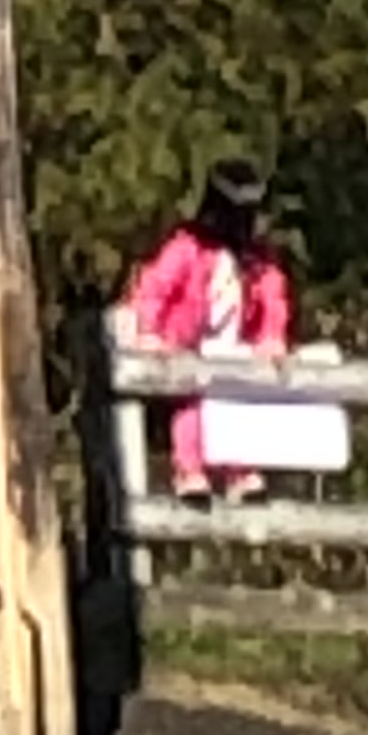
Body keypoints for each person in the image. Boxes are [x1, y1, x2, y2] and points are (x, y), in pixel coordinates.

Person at [126, 159, 294, 498]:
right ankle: (189, 470)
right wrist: (149, 332)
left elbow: (272, 298)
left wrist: (272, 337)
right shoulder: (187, 248)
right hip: (187, 346)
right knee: (192, 404)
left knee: (239, 403)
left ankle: (240, 471)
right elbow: (154, 288)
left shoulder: (257, 260)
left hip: (234, 347)